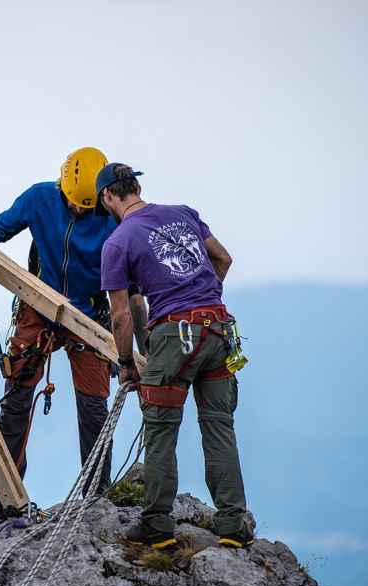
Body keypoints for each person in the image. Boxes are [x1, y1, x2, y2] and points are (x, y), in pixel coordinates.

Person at [0, 147, 147, 523]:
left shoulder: (112, 221)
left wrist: (140, 349)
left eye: (90, 207)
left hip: (90, 312)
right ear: (63, 188)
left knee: (94, 407)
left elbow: (132, 291)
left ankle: (95, 496)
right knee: (17, 394)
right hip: (39, 303)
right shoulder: (41, 199)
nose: (82, 212)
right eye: (75, 206)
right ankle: (5, 494)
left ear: (103, 196)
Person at [97, 163, 253, 550]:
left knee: (161, 429)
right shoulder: (184, 214)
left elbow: (120, 315)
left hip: (175, 336)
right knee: (219, 425)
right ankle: (233, 525)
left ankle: (157, 526)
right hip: (219, 330)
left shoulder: (118, 242)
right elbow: (223, 259)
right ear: (135, 186)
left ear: (107, 196)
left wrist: (126, 362)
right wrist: (201, 297)